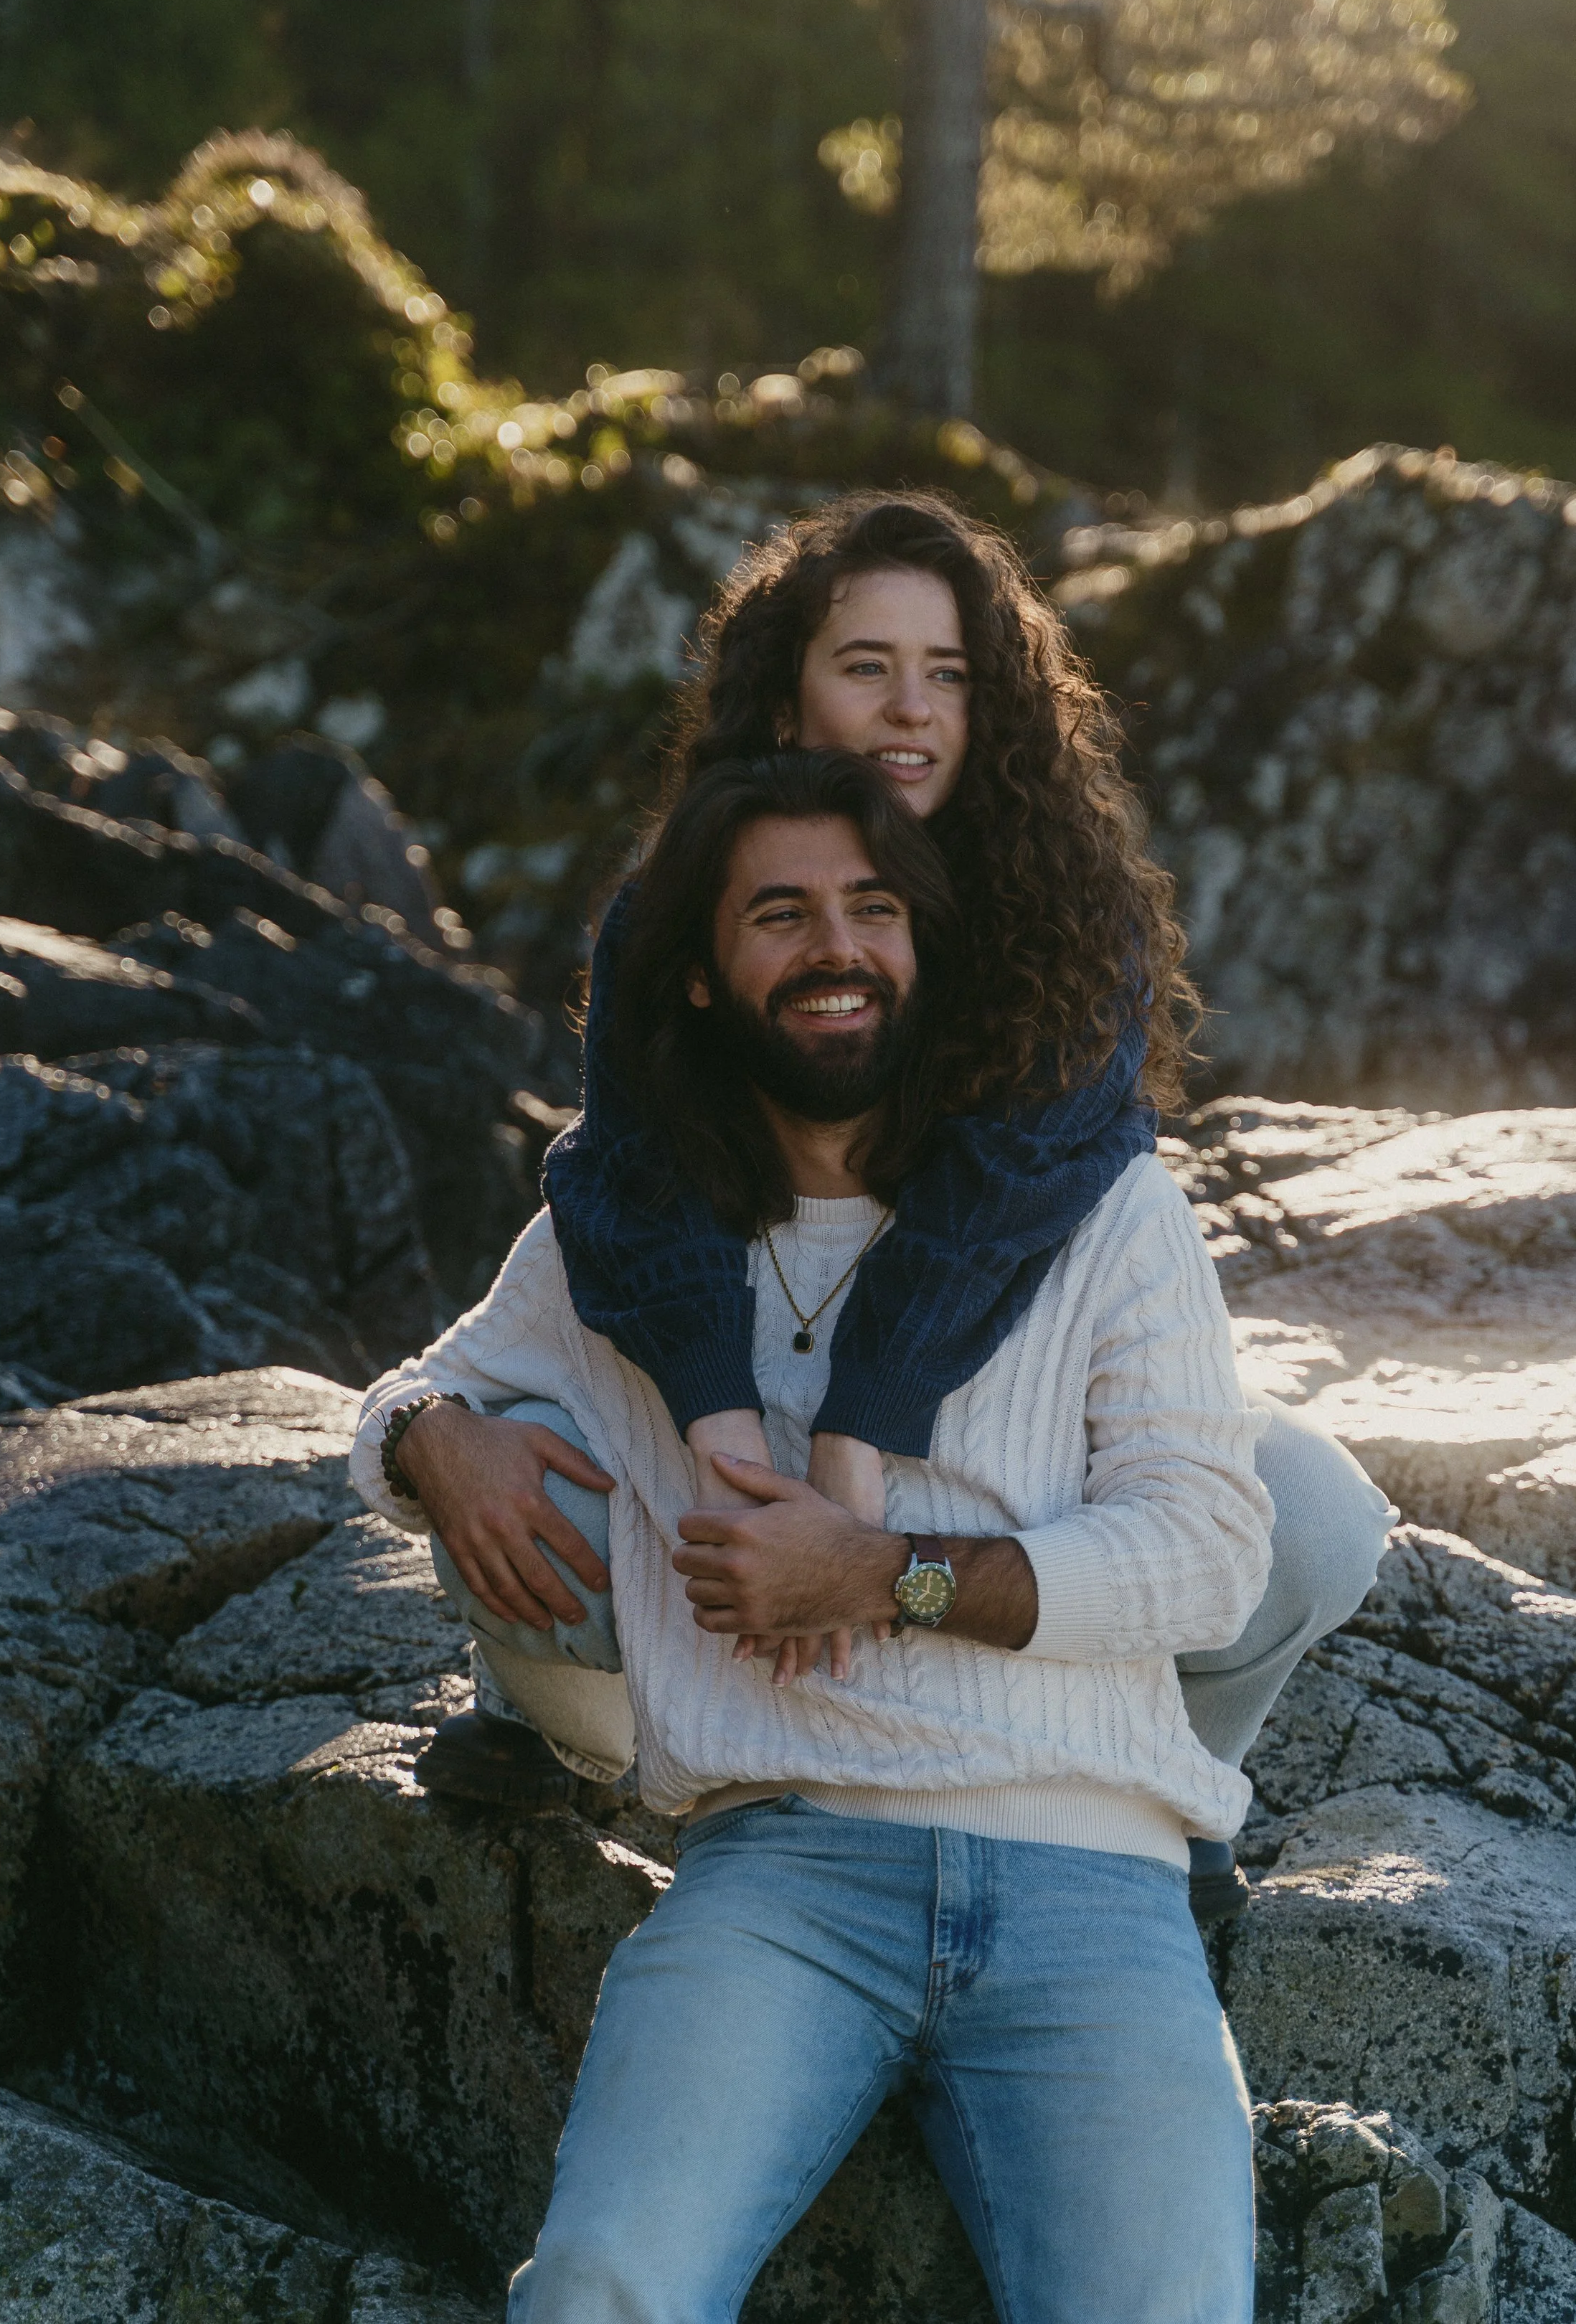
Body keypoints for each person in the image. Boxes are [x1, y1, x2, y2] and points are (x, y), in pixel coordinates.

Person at [353, 749, 1278, 2323]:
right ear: (705, 979)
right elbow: (405, 1396)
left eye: (871, 909)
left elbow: (1211, 1554)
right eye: (776, 915)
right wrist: (437, 1445)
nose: (833, 948)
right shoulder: (628, 1242)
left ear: (925, 947)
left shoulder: (1099, 1209)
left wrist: (888, 1575)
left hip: (1089, 1880)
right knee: (597, 2289)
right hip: (777, 1875)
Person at [415, 491, 1395, 1918]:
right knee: (510, 1459)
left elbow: (993, 1204)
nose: (910, 708)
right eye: (864, 664)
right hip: (744, 1392)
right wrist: (715, 1422)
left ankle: (1169, 1806)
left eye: (947, 672)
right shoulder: (680, 904)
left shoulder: (1066, 919)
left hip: (1007, 1418)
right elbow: (622, 1182)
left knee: (1300, 1523)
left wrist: (861, 1443)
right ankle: (577, 1733)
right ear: (785, 690)